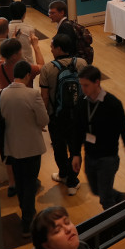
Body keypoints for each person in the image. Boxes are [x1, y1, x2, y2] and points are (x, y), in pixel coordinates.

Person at [69, 66, 125, 210]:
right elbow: (77, 129)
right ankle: (119, 196)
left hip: (108, 158)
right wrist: (75, 154)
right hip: (90, 155)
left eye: (86, 85)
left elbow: (124, 132)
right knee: (96, 190)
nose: (83, 89)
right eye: (81, 85)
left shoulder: (113, 104)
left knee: (106, 200)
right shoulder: (82, 102)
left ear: (97, 82)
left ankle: (114, 223)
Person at [0, 60, 50, 235]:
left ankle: (26, 211)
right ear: (27, 75)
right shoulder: (32, 94)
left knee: (19, 182)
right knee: (30, 183)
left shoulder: (0, 95)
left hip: (12, 147)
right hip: (32, 146)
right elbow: (44, 120)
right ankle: (27, 220)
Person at [40, 33, 88, 196]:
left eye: (52, 46)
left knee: (59, 148)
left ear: (59, 48)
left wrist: (43, 118)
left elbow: (45, 97)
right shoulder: (81, 63)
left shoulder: (47, 69)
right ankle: (73, 182)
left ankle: (63, 174)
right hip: (78, 116)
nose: (50, 49)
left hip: (56, 117)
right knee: (75, 149)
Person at [49, 0, 95, 65]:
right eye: (49, 13)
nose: (50, 16)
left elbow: (68, 48)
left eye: (53, 13)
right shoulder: (68, 23)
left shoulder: (65, 27)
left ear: (62, 12)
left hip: (76, 62)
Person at [8, 1, 44, 68]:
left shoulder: (6, 29)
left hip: (11, 64)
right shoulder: (30, 29)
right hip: (28, 64)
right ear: (24, 14)